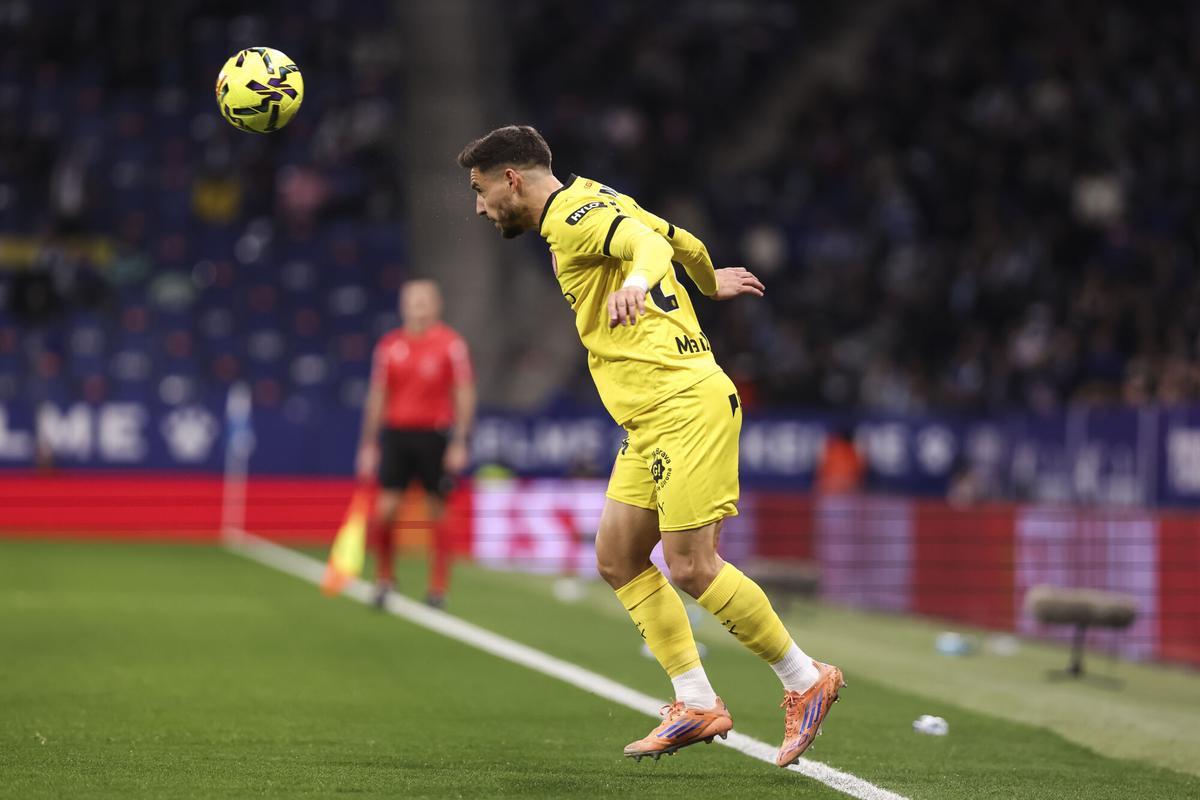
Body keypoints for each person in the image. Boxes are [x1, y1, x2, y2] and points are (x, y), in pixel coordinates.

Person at [457, 125, 844, 766]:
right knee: (617, 556)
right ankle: (695, 701)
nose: (478, 206)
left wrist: (639, 280)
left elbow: (644, 244)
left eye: (479, 190)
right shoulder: (592, 197)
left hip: (683, 402)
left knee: (692, 566)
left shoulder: (575, 219)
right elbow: (676, 237)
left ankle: (806, 681)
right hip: (649, 417)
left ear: (511, 180)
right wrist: (706, 280)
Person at [356, 279, 476, 609]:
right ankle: (384, 578)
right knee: (385, 511)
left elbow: (463, 392)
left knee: (437, 512)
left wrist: (460, 441)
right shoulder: (389, 346)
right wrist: (369, 444)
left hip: (434, 436)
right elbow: (378, 395)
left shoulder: (451, 345)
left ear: (436, 305)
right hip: (397, 434)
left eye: (424, 301)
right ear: (402, 305)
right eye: (412, 301)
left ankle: (438, 587)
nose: (418, 307)